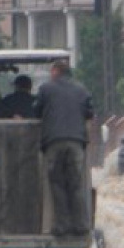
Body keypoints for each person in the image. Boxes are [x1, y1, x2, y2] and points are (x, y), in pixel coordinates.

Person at [33, 61, 94, 237]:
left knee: (58, 184)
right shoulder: (82, 90)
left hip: (54, 141)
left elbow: (36, 111)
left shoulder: (46, 89)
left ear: (55, 71)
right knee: (76, 184)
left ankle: (62, 226)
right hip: (76, 142)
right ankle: (82, 226)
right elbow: (90, 112)